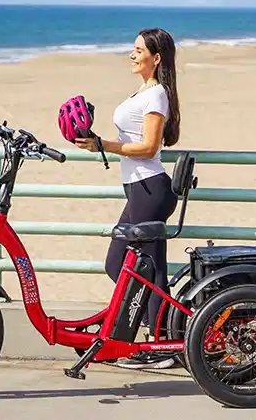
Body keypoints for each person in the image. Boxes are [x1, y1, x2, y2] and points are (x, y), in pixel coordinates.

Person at [74, 28, 181, 369]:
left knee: (146, 271)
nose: (132, 54)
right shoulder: (144, 92)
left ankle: (160, 345)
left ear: (156, 57)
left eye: (138, 50)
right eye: (132, 49)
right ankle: (163, 339)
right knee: (130, 267)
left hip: (150, 189)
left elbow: (149, 148)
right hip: (139, 189)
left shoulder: (157, 95)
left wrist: (103, 144)